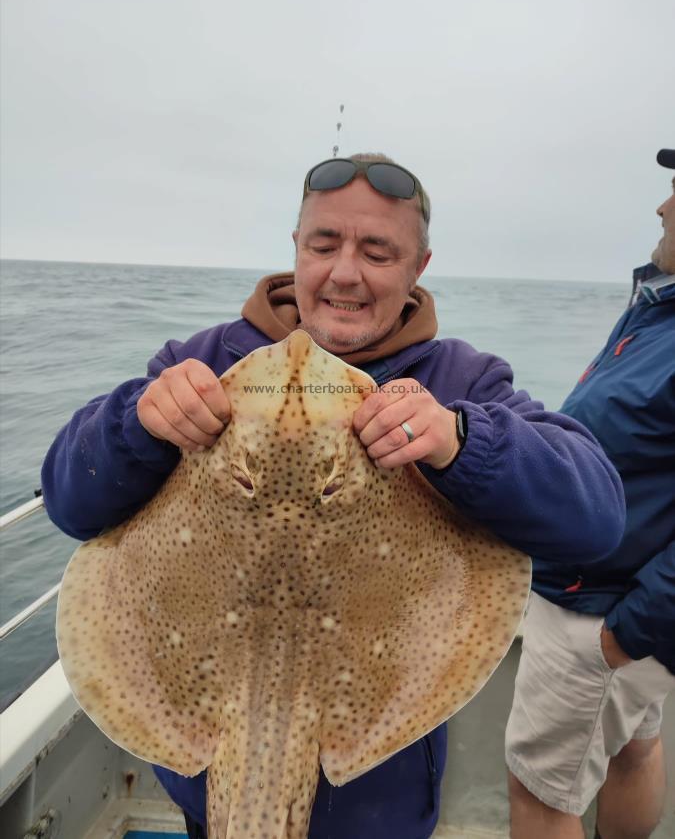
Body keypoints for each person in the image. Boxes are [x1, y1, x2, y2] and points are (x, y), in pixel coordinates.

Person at [42, 153, 626, 839]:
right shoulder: (199, 360)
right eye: (324, 244)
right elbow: (68, 501)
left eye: (377, 252)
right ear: (296, 248)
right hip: (207, 774)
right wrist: (136, 420)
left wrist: (459, 440)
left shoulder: (461, 380)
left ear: (418, 268)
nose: (344, 272)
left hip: (379, 791)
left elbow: (596, 518)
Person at [506, 149, 675, 839]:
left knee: (539, 792)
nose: (662, 208)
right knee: (636, 748)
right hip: (608, 599)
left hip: (602, 610)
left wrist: (627, 634)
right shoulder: (656, 310)